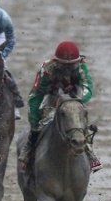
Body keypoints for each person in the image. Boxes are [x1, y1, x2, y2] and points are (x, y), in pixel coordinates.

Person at [18, 41, 102, 172]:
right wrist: (34, 119)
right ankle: (30, 147)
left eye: (71, 65)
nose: (68, 68)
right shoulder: (47, 69)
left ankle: (89, 152)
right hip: (53, 99)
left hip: (75, 98)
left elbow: (88, 88)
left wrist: (76, 101)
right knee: (41, 123)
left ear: (77, 62)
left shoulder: (82, 67)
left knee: (79, 119)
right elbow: (36, 95)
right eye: (64, 65)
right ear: (56, 62)